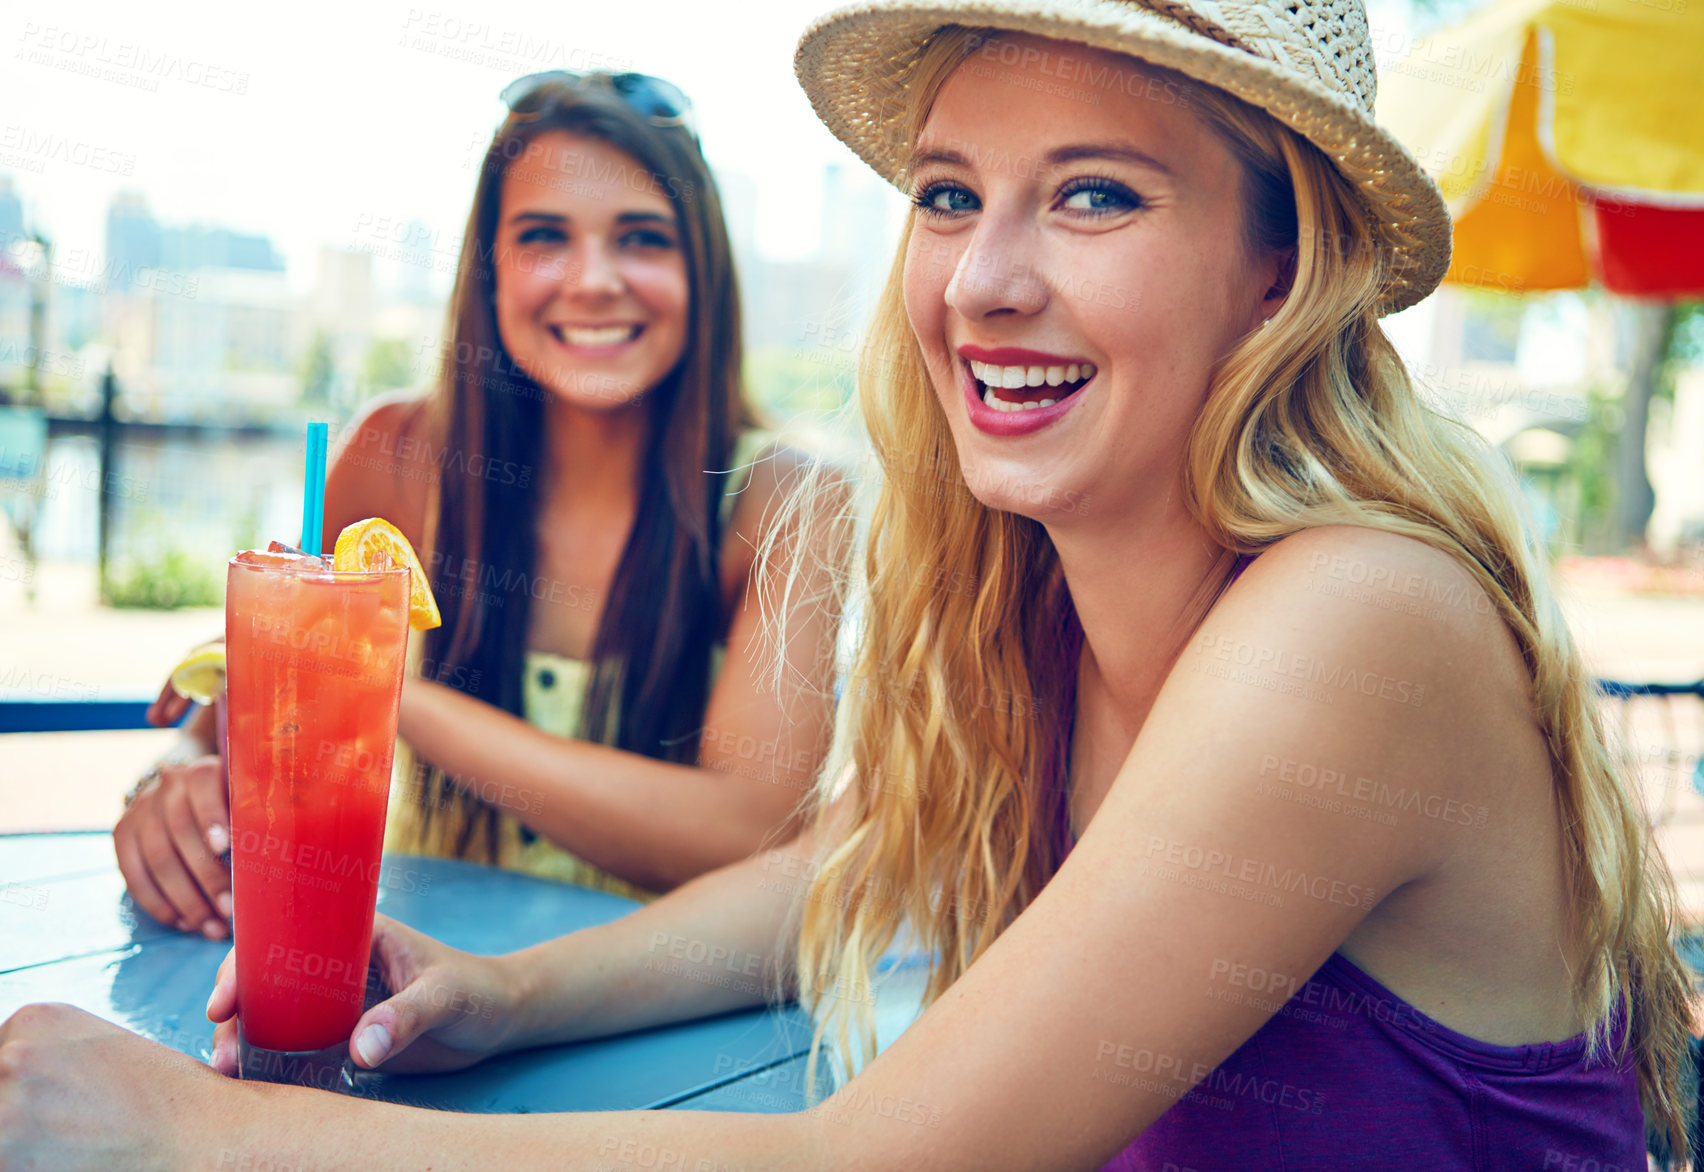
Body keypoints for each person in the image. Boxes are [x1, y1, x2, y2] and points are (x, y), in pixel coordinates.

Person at [2, 1, 1694, 1167]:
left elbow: (883, 1152)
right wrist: (507, 989)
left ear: (1279, 260)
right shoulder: (1041, 597)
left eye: (1092, 195)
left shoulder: (1350, 616)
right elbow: (845, 861)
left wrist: (196, 1129)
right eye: (948, 195)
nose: (981, 278)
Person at [109, 70, 845, 940]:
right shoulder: (394, 456)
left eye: (642, 238)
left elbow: (751, 832)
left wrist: (390, 687)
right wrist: (166, 788)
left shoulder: (787, 499)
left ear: (704, 271)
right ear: (488, 270)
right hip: (402, 999)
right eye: (544, 237)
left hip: (661, 1029)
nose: (594, 279)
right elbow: (223, 730)